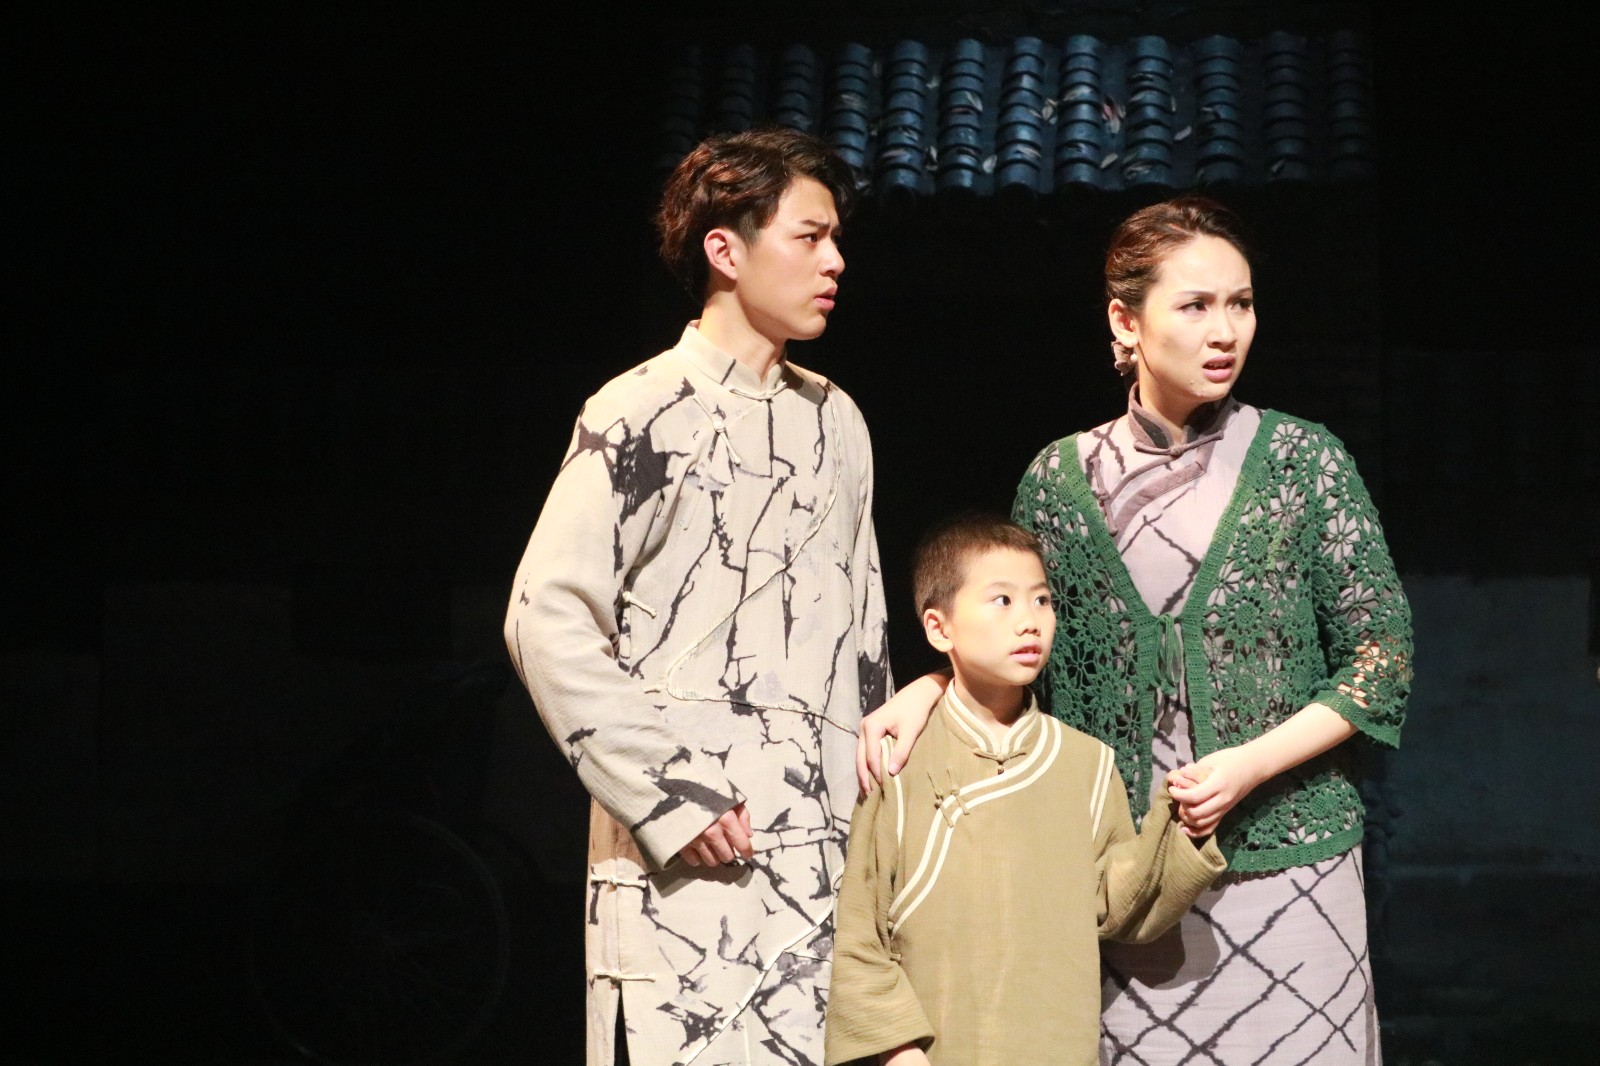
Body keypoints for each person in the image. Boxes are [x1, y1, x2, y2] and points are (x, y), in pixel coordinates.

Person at [857, 197, 1412, 1064]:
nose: (1224, 330)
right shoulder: (1060, 481)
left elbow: (1381, 655)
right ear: (1126, 321)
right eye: (1195, 306)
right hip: (1124, 878)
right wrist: (932, 685)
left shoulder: (1303, 463)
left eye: (1241, 303)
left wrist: (1249, 765)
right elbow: (1020, 633)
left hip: (1293, 871)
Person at [504, 127, 891, 1066]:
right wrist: (669, 793)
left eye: (837, 240)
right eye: (809, 237)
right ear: (726, 249)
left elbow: (866, 641)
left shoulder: (837, 419)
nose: (835, 262)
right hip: (685, 856)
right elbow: (544, 613)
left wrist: (881, 834)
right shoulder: (639, 408)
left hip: (824, 855)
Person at [825, 514, 1225, 1066]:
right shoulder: (900, 758)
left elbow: (1118, 907)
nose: (1030, 622)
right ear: (939, 628)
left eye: (1041, 601)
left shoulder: (1087, 763)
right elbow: (861, 932)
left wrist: (1183, 827)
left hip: (1056, 1045)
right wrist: (897, 1050)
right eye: (1003, 600)